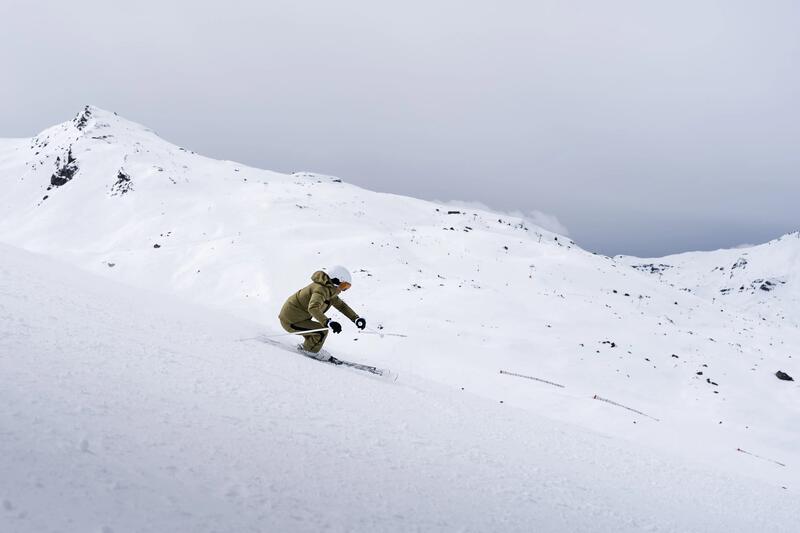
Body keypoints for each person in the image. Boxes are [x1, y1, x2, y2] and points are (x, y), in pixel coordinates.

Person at [278, 265, 367, 359]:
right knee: (322, 331)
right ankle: (309, 351)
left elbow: (341, 306)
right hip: (291, 320)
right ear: (336, 281)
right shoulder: (320, 289)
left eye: (346, 287)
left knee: (320, 330)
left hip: (297, 317)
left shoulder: (329, 290)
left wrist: (356, 318)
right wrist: (328, 322)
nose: (343, 290)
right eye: (344, 286)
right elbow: (313, 308)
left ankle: (309, 347)